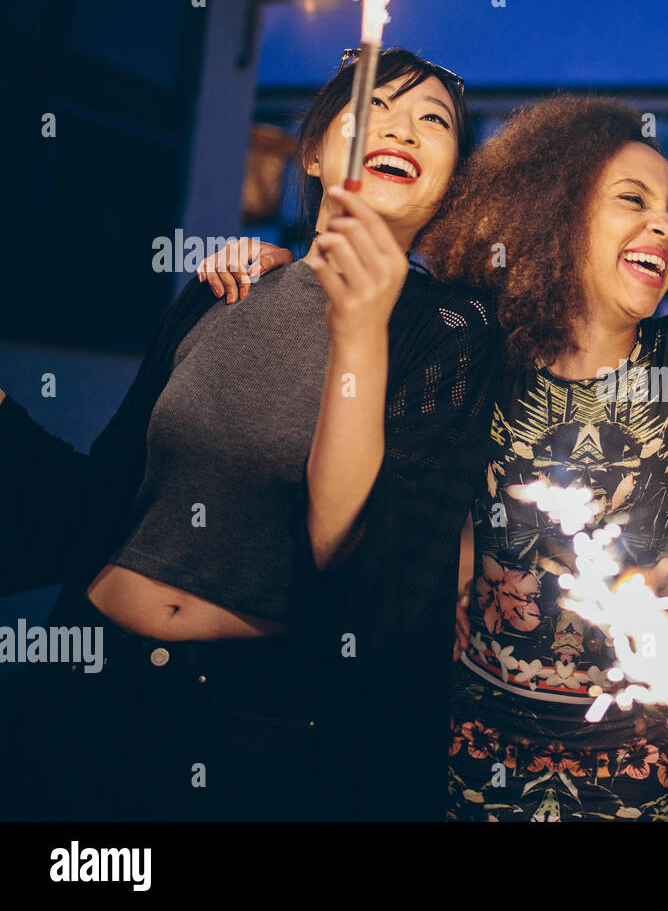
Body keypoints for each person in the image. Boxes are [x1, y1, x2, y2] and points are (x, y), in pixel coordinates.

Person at [0, 48, 501, 820]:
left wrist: (362, 327)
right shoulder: (226, 290)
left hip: (246, 720)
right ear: (311, 150)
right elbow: (106, 494)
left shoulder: (450, 330)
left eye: (433, 122)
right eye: (376, 109)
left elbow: (351, 550)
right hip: (89, 665)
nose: (402, 129)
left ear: (453, 179)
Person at [428, 96, 668, 821]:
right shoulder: (475, 348)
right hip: (476, 745)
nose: (664, 225)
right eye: (632, 200)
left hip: (634, 767)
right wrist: (260, 262)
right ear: (555, 211)